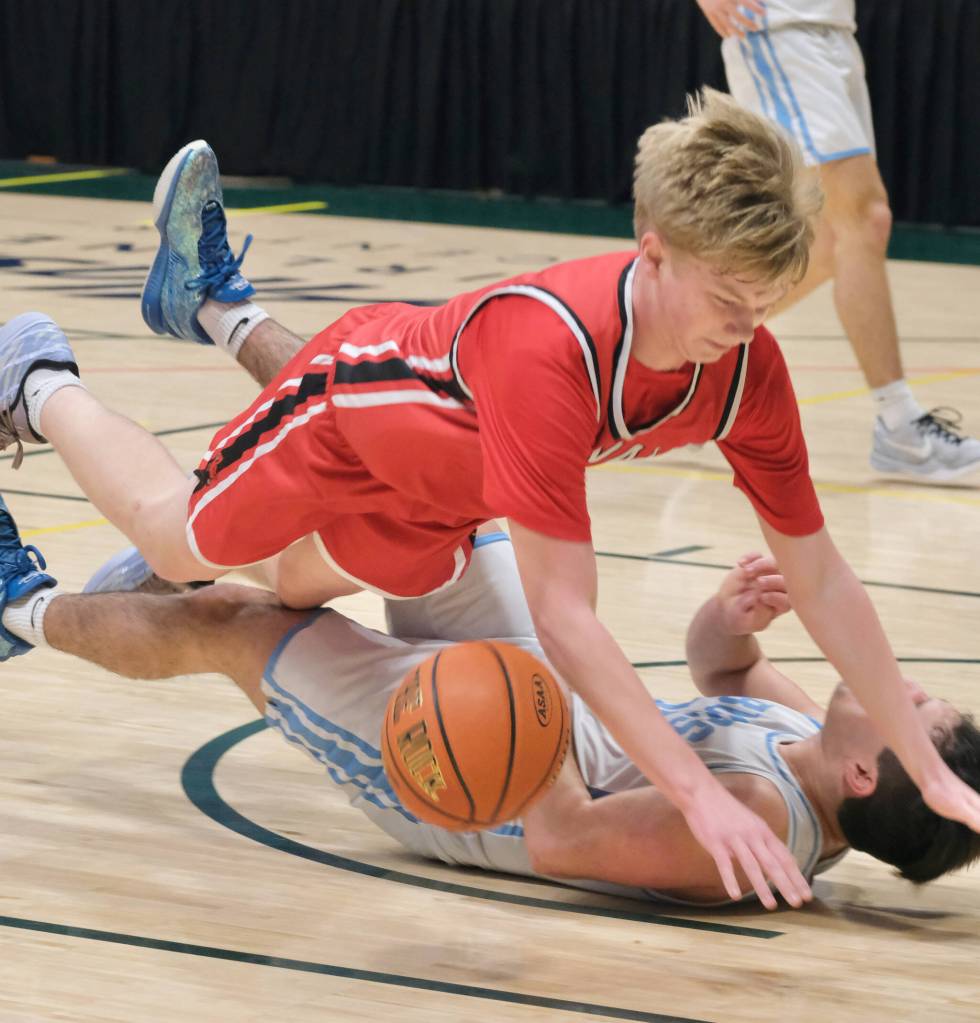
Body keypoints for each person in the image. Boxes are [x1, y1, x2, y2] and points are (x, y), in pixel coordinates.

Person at [2, 90, 980, 910]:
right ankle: (36, 381)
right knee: (182, 552)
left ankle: (206, 304)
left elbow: (819, 571)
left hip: (454, 495)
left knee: (286, 585)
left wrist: (929, 769)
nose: (744, 326)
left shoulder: (740, 367)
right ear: (652, 252)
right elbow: (562, 612)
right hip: (352, 419)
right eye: (727, 297)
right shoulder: (549, 349)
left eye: (762, 301)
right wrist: (696, 787)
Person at [1, 505, 977, 905]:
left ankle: (21, 607)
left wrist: (508, 695)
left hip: (472, 776)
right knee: (424, 496)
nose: (909, 687)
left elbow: (560, 839)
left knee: (232, 622)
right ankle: (217, 306)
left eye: (916, 718)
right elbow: (719, 673)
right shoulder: (808, 746)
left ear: (864, 772)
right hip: (532, 697)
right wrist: (724, 617)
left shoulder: (762, 823)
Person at [694, 0, 980, 481]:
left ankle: (686, 356)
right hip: (778, 28)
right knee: (865, 220)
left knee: (827, 245)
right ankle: (900, 425)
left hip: (831, 31)